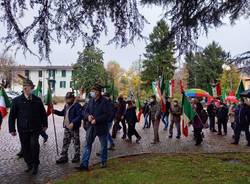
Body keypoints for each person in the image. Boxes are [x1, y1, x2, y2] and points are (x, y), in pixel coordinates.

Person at [9, 79, 48, 175]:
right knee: (25, 148)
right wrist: (12, 129)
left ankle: (35, 165)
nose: (25, 87)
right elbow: (12, 116)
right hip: (23, 129)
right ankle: (29, 164)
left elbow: (43, 114)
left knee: (34, 145)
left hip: (35, 128)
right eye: (24, 86)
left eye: (27, 86)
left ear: (32, 88)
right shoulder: (16, 101)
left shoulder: (37, 100)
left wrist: (45, 125)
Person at [76, 84, 111, 171]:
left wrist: (97, 120)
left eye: (94, 91)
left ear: (99, 92)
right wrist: (88, 116)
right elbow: (84, 111)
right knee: (87, 145)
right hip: (91, 127)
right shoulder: (90, 101)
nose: (93, 92)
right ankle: (84, 164)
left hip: (101, 127)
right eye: (92, 90)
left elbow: (108, 115)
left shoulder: (105, 102)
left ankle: (103, 161)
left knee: (103, 146)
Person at [54, 92, 82, 164]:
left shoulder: (77, 105)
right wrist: (54, 111)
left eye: (69, 98)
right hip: (67, 127)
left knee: (76, 142)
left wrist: (73, 122)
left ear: (73, 98)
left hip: (74, 127)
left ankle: (77, 156)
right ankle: (64, 156)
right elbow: (63, 113)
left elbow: (80, 116)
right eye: (67, 98)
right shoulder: (66, 105)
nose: (68, 100)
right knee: (65, 142)